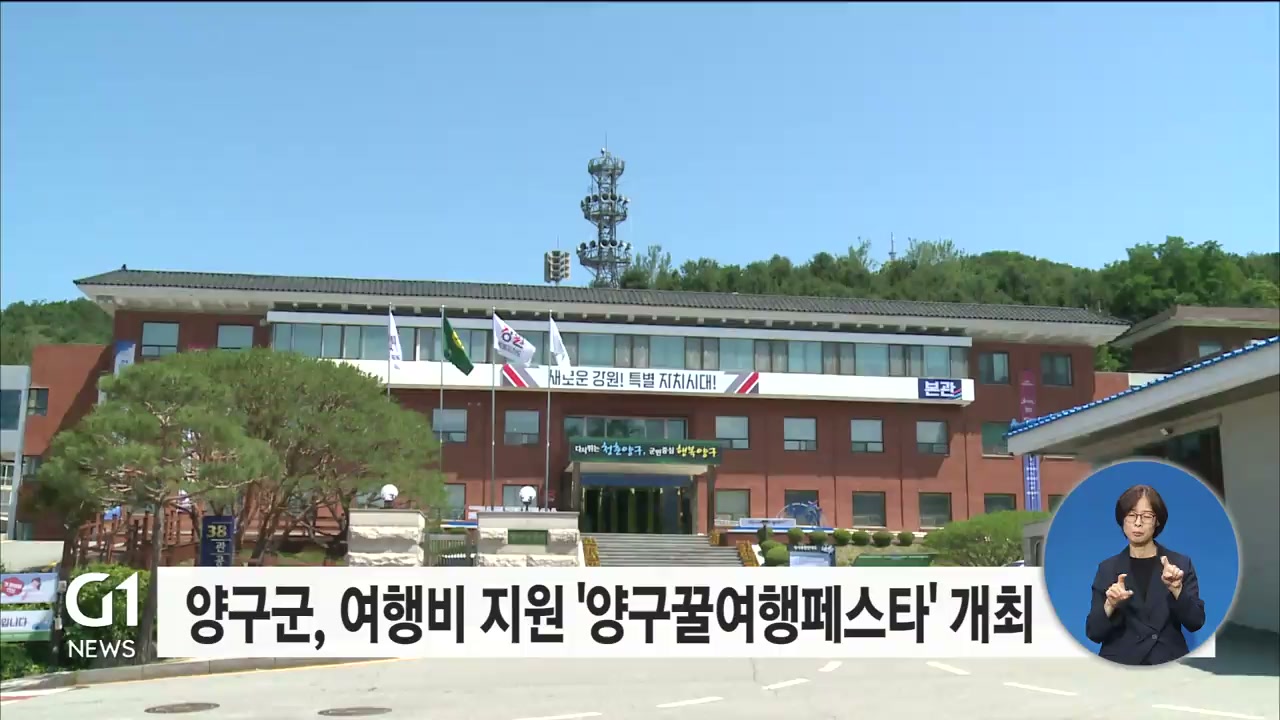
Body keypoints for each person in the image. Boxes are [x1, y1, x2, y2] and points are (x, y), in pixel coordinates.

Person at [1085, 483, 1206, 666]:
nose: (1138, 522)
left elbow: (1196, 622)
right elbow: (1093, 633)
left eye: (1147, 516)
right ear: (1122, 520)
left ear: (1157, 521)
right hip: (1121, 666)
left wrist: (1177, 591)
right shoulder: (1107, 569)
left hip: (1167, 663)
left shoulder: (1179, 564)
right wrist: (1110, 605)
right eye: (1131, 515)